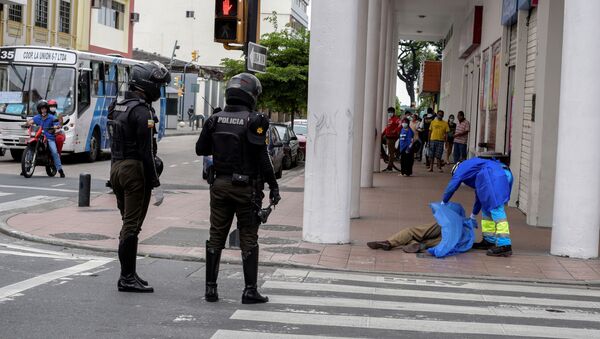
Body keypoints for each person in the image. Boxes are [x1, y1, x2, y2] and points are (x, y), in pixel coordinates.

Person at [195, 73, 280, 304]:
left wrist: (211, 128)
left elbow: (200, 149)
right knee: (248, 238)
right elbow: (263, 158)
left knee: (216, 236)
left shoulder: (215, 120)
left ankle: (211, 290)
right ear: (251, 95)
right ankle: (249, 291)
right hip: (246, 189)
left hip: (220, 186)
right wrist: (274, 186)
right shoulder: (255, 121)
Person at [108, 61, 171, 293]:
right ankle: (126, 277)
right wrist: (156, 183)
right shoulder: (143, 111)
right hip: (134, 172)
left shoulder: (119, 105)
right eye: (157, 85)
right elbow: (147, 152)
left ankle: (130, 273)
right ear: (147, 84)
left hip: (116, 168)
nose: (159, 90)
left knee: (127, 223)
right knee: (131, 226)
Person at [442, 157, 514, 257]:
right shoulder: (475, 168)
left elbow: (453, 184)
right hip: (501, 173)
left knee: (496, 208)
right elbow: (479, 196)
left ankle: (505, 245)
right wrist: (473, 215)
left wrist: (443, 202)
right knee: (487, 208)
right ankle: (489, 240)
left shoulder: (461, 168)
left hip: (495, 175)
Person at [27, 100, 65, 178]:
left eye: (44, 109)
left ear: (47, 109)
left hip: (49, 138)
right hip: (38, 136)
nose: (43, 110)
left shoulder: (52, 117)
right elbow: (31, 121)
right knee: (30, 148)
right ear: (39, 110)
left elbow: (57, 124)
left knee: (54, 152)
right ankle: (26, 167)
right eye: (42, 109)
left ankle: (60, 170)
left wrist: (56, 126)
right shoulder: (37, 117)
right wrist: (26, 123)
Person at [367, 223, 442, 253]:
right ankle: (417, 245)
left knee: (412, 232)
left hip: (447, 227)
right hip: (447, 234)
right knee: (430, 240)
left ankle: (388, 242)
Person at [382, 107, 401, 172]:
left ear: (393, 112)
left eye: (390, 112)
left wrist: (395, 130)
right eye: (388, 112)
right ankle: (390, 163)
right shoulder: (390, 119)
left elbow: (400, 124)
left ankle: (389, 167)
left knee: (391, 153)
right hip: (387, 137)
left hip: (392, 138)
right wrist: (383, 133)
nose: (389, 113)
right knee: (391, 151)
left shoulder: (396, 119)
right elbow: (387, 128)